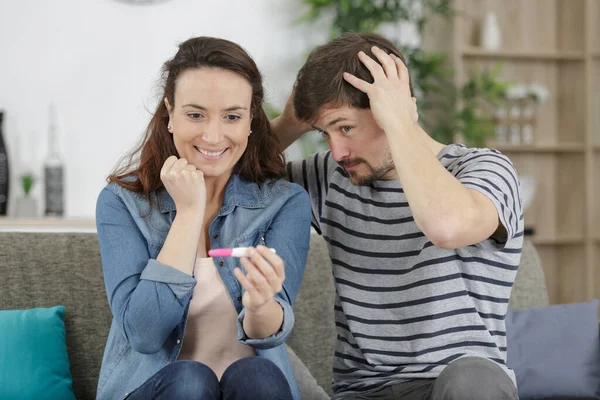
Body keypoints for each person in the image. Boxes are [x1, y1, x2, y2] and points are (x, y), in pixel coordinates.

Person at [273, 32, 522, 400]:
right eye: (324, 134)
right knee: (258, 361)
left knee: (474, 376)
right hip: (362, 392)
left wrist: (402, 124)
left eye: (345, 127)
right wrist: (290, 122)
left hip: (454, 386)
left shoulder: (483, 169)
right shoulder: (333, 176)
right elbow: (230, 177)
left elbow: (447, 226)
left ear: (394, 108)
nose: (338, 150)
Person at [95, 36, 311, 400]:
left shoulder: (285, 203)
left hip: (252, 389)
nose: (213, 136)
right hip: (157, 389)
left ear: (251, 122)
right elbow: (145, 335)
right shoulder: (122, 203)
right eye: (195, 115)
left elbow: (272, 329)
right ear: (170, 114)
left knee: (259, 373)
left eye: (232, 116)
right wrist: (189, 214)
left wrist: (260, 306)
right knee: (190, 380)